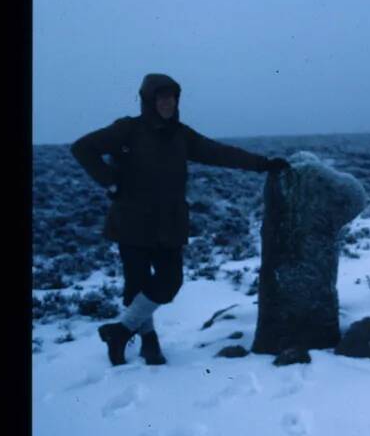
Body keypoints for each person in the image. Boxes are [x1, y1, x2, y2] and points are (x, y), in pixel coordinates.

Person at [71, 73, 291, 366]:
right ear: (149, 101)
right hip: (131, 220)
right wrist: (109, 181)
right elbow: (82, 148)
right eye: (161, 98)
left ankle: (120, 332)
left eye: (172, 97)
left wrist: (262, 164)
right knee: (137, 285)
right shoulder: (128, 130)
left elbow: (219, 152)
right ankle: (149, 343)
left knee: (169, 282)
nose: (168, 103)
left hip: (169, 223)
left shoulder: (181, 135)